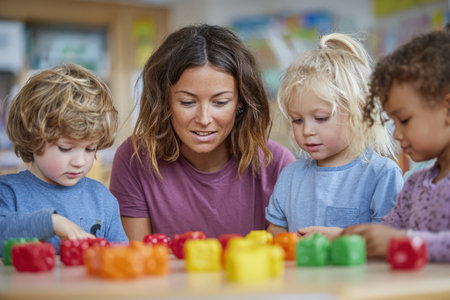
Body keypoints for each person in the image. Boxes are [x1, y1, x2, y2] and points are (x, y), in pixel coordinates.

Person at [109, 24, 296, 240]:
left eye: (220, 102)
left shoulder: (278, 165)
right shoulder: (135, 159)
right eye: (187, 102)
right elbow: (139, 261)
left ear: (241, 103)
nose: (204, 119)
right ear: (164, 102)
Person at [266, 33, 404, 239]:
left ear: (359, 112)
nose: (307, 131)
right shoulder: (290, 176)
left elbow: (391, 242)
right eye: (297, 120)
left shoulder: (382, 174)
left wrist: (341, 237)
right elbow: (275, 236)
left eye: (321, 118)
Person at [344, 26, 450, 262]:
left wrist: (404, 241)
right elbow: (387, 234)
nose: (397, 134)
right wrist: (353, 237)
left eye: (404, 120)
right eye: (392, 122)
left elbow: (396, 240)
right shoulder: (413, 185)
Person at [0, 64, 128, 255]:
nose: (80, 161)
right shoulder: (8, 192)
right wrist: (51, 222)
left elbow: (121, 256)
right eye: (65, 148)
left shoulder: (102, 199)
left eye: (90, 148)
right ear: (32, 137)